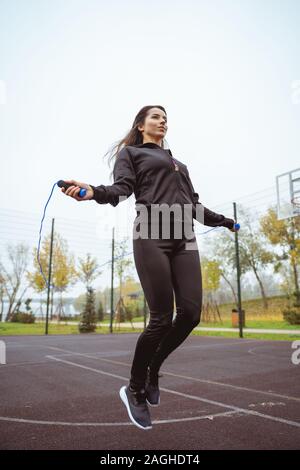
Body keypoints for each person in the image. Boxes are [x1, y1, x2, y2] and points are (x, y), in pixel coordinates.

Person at [61, 105, 239, 431]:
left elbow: (194, 206)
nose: (163, 121)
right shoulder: (131, 154)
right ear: (141, 126)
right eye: (156, 116)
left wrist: (226, 222)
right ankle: (134, 388)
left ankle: (153, 370)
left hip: (184, 238)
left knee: (191, 314)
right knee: (160, 319)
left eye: (165, 117)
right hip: (151, 234)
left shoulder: (179, 164)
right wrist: (93, 193)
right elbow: (122, 189)